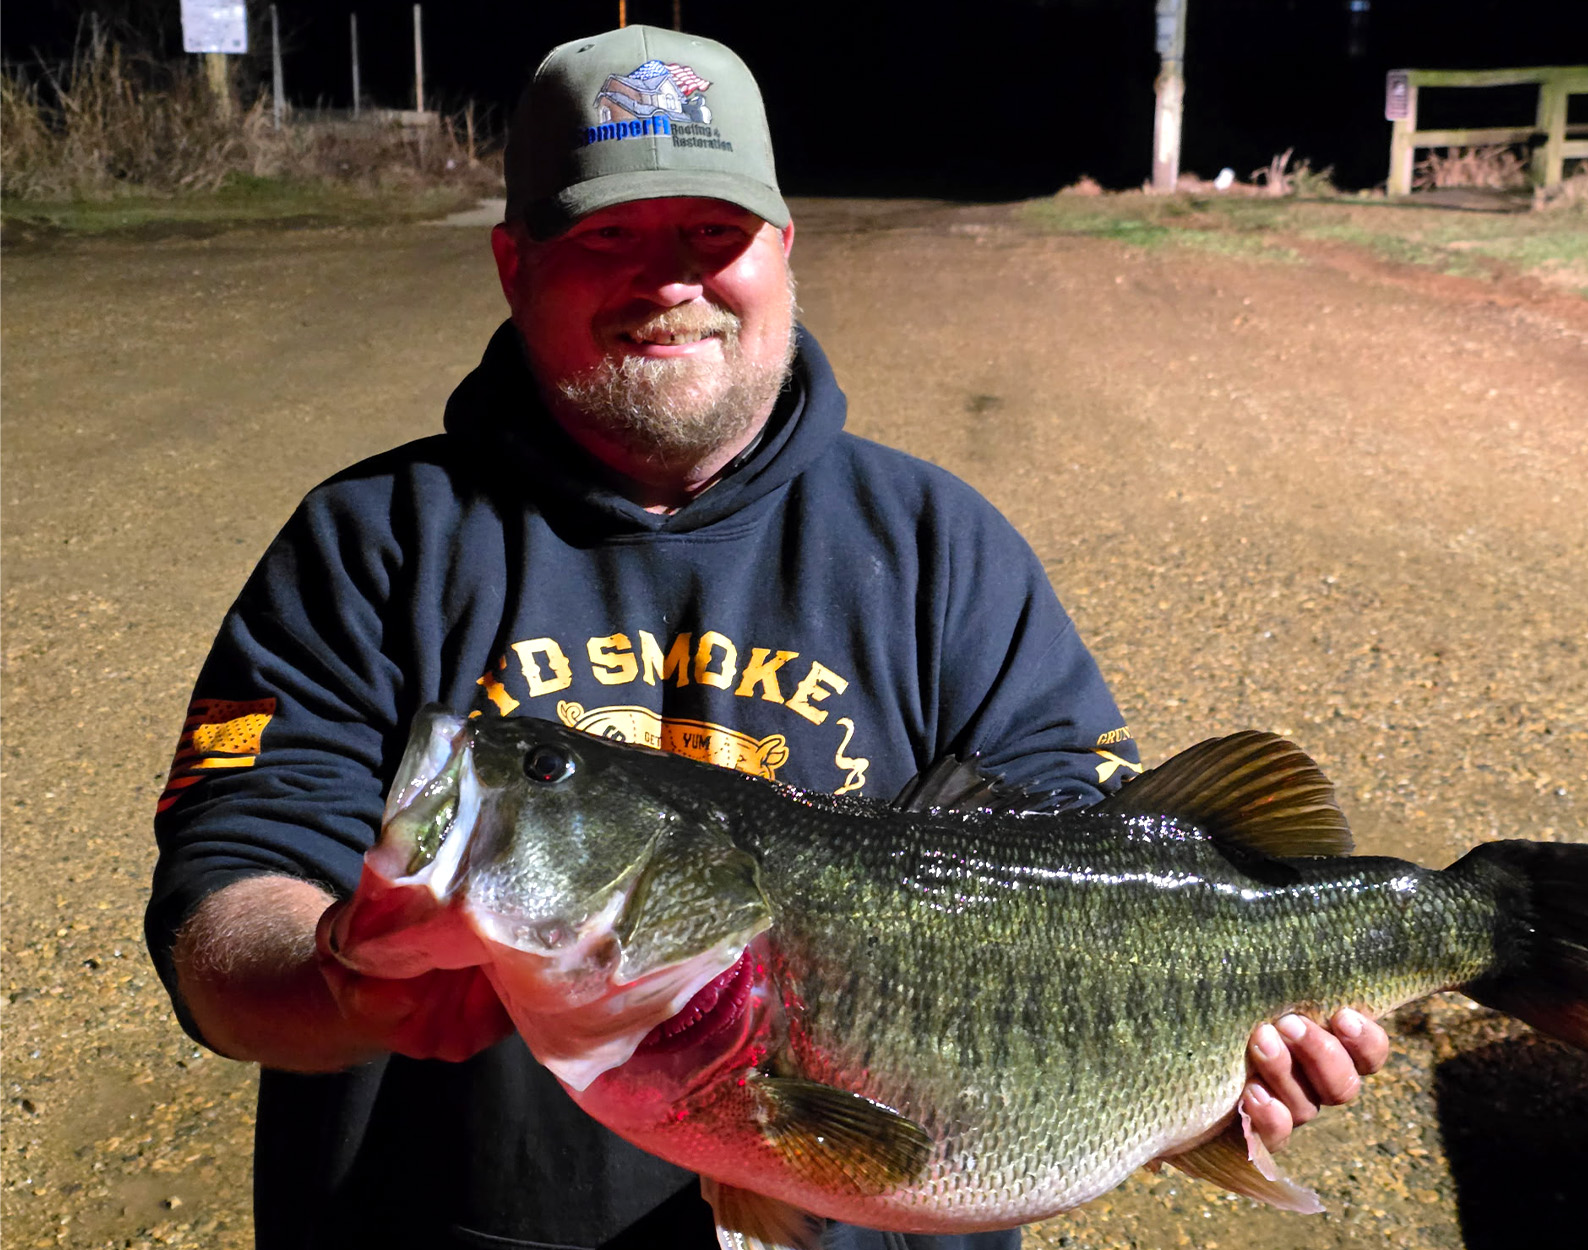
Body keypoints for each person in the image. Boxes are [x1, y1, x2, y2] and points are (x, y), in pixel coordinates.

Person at [146, 24, 1388, 1250]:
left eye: (712, 233)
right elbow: (225, 914)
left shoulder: (941, 545)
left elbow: (1094, 877)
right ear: (514, 263)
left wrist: (1217, 1055)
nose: (669, 279)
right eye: (607, 235)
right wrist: (330, 981)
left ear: (783, 250)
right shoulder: (369, 543)